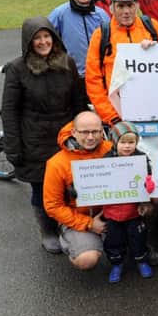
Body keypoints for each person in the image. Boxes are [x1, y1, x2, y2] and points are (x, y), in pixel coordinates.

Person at [1, 16, 86, 254]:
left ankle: (69, 225)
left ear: (54, 37)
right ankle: (47, 229)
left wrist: (83, 133)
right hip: (34, 138)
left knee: (70, 186)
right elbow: (9, 110)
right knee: (41, 190)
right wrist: (13, 146)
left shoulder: (68, 63)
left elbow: (78, 102)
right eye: (37, 38)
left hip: (66, 135)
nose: (42, 41)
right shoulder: (17, 69)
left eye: (46, 36)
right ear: (29, 41)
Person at [85, 0, 158, 126]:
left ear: (137, 6)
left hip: (153, 107)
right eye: (120, 6)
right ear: (111, 7)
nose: (126, 11)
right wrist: (112, 117)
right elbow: (94, 81)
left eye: (130, 5)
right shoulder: (101, 34)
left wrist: (157, 52)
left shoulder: (151, 27)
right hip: (117, 112)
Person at [43, 111, 112, 270]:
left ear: (102, 131)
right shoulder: (56, 164)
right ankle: (76, 243)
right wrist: (88, 224)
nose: (90, 137)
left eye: (95, 131)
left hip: (112, 213)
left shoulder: (111, 149)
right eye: (84, 132)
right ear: (74, 132)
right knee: (86, 260)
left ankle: (141, 246)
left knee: (152, 202)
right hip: (79, 218)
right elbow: (53, 206)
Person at [103, 122, 155, 283]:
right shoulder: (106, 160)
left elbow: (148, 180)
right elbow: (97, 181)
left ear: (137, 142)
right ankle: (117, 264)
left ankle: (141, 260)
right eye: (123, 142)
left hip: (134, 211)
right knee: (114, 240)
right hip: (113, 211)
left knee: (138, 237)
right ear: (114, 141)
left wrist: (149, 189)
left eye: (131, 142)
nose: (127, 146)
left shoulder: (141, 158)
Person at [48, 0, 110, 95]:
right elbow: (45, 38)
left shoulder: (101, 14)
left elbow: (111, 41)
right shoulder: (59, 13)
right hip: (71, 75)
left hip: (98, 75)